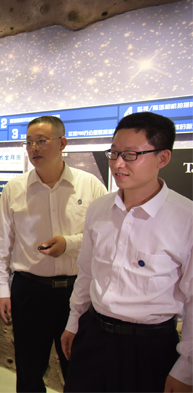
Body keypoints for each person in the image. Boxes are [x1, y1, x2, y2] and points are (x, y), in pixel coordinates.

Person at [60, 112, 192, 392]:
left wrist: (186, 368)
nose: (118, 164)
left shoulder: (186, 218)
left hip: (149, 348)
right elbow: (87, 272)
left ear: (163, 158)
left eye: (131, 155)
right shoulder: (99, 209)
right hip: (93, 334)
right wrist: (74, 321)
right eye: (114, 153)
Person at [0, 116, 107, 392]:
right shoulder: (14, 188)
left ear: (62, 143)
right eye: (29, 142)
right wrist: (0, 289)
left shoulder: (90, 185)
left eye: (41, 141)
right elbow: (3, 242)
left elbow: (105, 237)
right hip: (29, 291)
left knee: (79, 369)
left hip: (77, 291)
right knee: (28, 370)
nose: (34, 148)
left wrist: (70, 244)